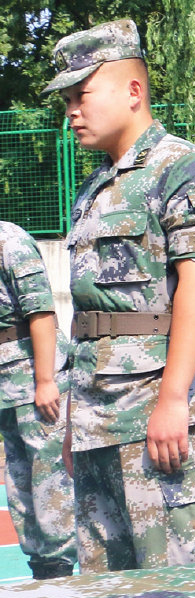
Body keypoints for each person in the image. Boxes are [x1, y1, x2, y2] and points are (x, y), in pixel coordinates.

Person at [50, 18, 195, 571]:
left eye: (81, 95)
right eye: (66, 100)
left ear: (133, 90)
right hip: (97, 425)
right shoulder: (93, 188)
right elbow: (90, 320)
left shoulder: (185, 170)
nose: (71, 112)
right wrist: (73, 422)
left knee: (179, 596)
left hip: (160, 421)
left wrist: (174, 398)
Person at [0, 220, 75, 579]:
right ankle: (42, 565)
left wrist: (45, 381)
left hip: (32, 378)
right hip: (5, 389)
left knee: (51, 475)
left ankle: (61, 565)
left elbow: (41, 312)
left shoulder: (8, 241)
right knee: (18, 478)